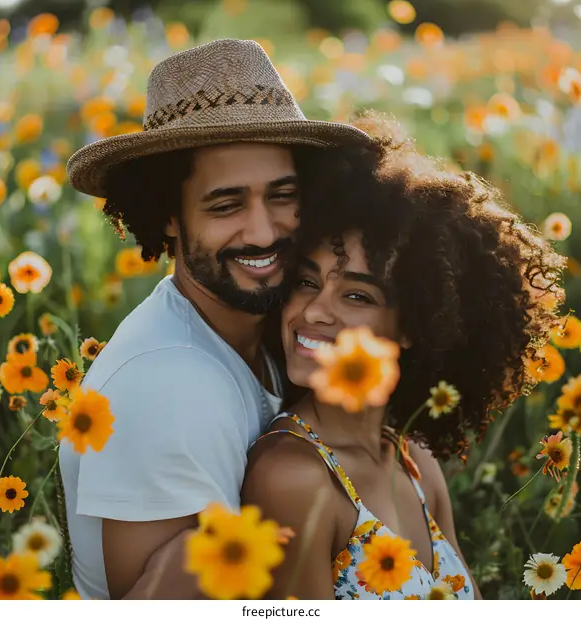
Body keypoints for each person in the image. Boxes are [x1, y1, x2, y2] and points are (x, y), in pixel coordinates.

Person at [59, 38, 375, 600]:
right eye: (226, 205)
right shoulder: (168, 387)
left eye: (283, 195)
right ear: (169, 217)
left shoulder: (273, 328)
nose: (262, 231)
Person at [241, 116, 565, 600]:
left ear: (415, 326)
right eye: (306, 282)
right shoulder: (292, 478)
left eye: (356, 297)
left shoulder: (416, 463)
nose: (313, 311)